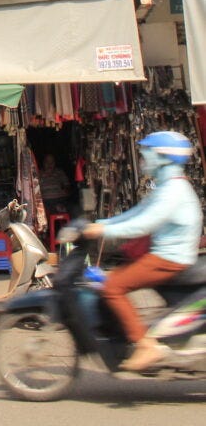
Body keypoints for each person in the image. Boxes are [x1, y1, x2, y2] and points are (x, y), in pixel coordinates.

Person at [83, 131, 203, 372]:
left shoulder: (173, 192)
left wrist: (102, 231)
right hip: (164, 256)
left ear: (163, 157)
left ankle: (146, 345)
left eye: (147, 153)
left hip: (169, 259)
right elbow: (135, 213)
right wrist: (103, 223)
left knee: (112, 286)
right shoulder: (166, 187)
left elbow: (145, 223)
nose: (142, 158)